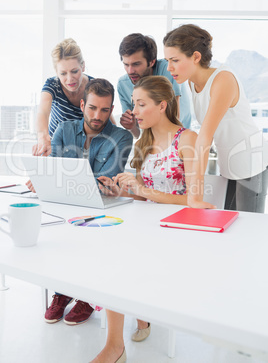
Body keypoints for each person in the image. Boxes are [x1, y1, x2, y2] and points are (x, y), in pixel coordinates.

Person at [91, 75, 197, 363]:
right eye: (133, 103)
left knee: (120, 260)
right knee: (108, 247)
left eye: (140, 104)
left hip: (177, 230)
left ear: (162, 105)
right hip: (146, 225)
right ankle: (117, 343)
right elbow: (142, 197)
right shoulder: (144, 141)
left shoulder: (187, 139)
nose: (133, 111)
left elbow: (196, 201)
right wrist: (122, 189)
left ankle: (116, 346)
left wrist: (143, 189)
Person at [27, 78, 133, 326]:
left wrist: (54, 179)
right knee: (58, 240)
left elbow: (106, 182)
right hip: (67, 205)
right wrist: (42, 179)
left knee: (92, 242)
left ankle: (87, 296)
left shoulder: (122, 138)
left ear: (111, 109)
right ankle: (63, 291)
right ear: (83, 104)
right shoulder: (64, 129)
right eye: (93, 108)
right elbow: (54, 168)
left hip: (102, 209)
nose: (98, 115)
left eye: (105, 110)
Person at [163, 24, 268, 212]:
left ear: (196, 57)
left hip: (250, 161)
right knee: (229, 221)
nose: (169, 67)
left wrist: (194, 197)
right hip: (228, 162)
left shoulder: (223, 80)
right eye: (167, 60)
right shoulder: (191, 82)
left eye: (175, 60)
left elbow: (205, 137)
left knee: (248, 226)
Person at [33, 38, 116, 157]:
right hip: (56, 148)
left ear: (83, 66)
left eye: (74, 71)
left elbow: (109, 121)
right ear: (56, 72)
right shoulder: (53, 85)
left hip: (86, 150)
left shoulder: (93, 87)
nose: (69, 79)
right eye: (63, 73)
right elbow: (42, 112)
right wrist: (42, 137)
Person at [117, 33, 192, 138]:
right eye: (126, 64)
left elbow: (174, 117)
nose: (130, 71)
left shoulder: (168, 69)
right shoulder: (123, 84)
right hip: (152, 140)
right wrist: (131, 126)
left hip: (178, 137)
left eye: (136, 64)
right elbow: (137, 133)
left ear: (151, 62)